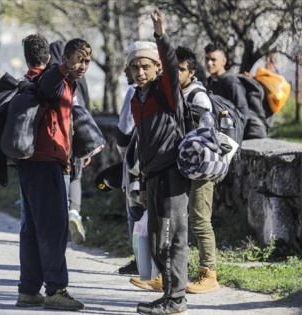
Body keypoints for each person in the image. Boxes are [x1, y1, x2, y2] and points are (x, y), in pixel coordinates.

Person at [16, 37, 90, 311]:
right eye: (78, 60)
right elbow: (49, 87)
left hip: (32, 162)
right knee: (53, 229)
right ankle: (56, 290)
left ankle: (28, 290)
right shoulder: (49, 80)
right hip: (46, 163)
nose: (81, 66)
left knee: (33, 230)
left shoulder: (28, 80)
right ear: (51, 57)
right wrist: (63, 69)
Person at [128, 9, 190, 314]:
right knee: (154, 242)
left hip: (171, 175)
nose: (140, 72)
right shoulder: (136, 99)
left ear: (155, 69)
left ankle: (176, 300)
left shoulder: (166, 93)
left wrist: (161, 34)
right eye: (135, 67)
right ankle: (168, 295)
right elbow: (141, 142)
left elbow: (170, 63)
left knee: (171, 239)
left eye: (146, 66)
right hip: (152, 177)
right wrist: (140, 181)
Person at [176, 46, 220, 294]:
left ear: (191, 72)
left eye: (181, 70)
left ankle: (208, 273)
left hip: (201, 168)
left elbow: (207, 137)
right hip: (182, 166)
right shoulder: (176, 92)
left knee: (200, 219)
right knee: (178, 220)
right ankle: (174, 272)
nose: (176, 74)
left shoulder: (198, 97)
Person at [48, 40, 89, 245]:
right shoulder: (69, 81)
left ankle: (65, 217)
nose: (82, 66)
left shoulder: (57, 79)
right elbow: (86, 113)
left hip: (60, 148)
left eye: (86, 62)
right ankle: (74, 211)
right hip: (72, 146)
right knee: (75, 179)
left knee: (62, 185)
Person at [115, 49, 143, 275]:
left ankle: (141, 259)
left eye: (132, 66)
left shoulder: (134, 92)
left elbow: (124, 131)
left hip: (137, 162)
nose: (129, 71)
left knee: (135, 211)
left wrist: (126, 156)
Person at [204, 42, 250, 138]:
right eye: (207, 59)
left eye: (213, 60)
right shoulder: (209, 82)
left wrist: (235, 138)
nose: (209, 63)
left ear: (223, 61)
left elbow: (243, 112)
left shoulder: (230, 81)